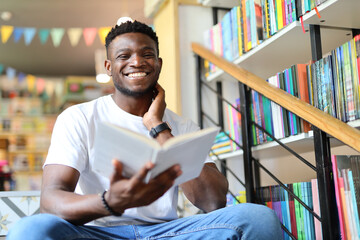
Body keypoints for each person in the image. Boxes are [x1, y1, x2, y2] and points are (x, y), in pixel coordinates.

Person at [7, 20, 282, 240]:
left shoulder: (182, 126)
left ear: (158, 64)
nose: (137, 62)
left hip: (166, 233)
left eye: (147, 54)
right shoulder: (79, 117)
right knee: (27, 231)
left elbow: (213, 201)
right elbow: (51, 201)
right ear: (109, 66)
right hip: (96, 231)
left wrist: (158, 127)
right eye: (123, 56)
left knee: (258, 218)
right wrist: (109, 202)